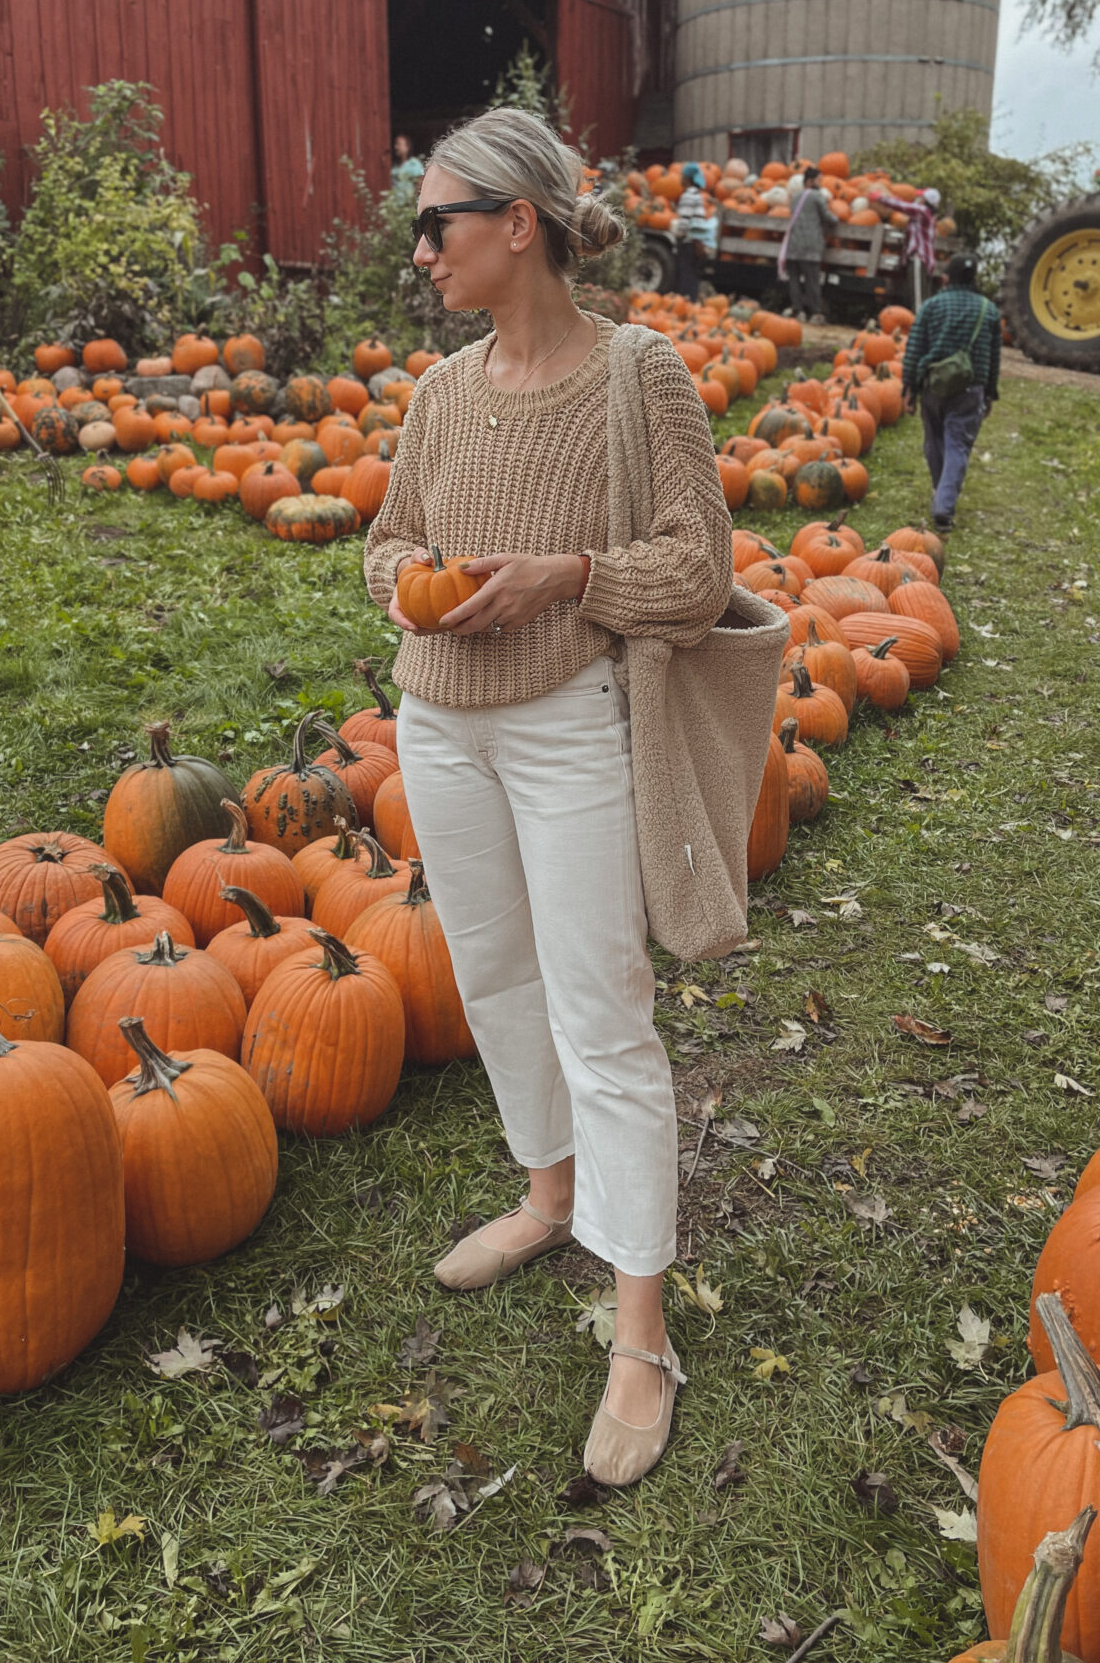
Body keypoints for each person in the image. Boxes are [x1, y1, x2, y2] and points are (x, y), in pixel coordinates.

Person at [362, 106, 731, 1487]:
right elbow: (388, 539)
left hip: (574, 725)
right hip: (439, 728)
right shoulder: (445, 392)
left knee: (602, 1008)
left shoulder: (641, 378)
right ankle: (547, 1193)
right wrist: (409, 587)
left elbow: (694, 571)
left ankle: (640, 1329)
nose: (421, 250)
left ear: (519, 223)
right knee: (498, 979)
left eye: (437, 221)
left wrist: (567, 575)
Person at [902, 251, 1001, 533]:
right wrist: (991, 392)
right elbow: (993, 357)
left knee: (934, 441)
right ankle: (944, 506)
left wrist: (908, 385)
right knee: (958, 443)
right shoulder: (988, 309)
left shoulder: (932, 306)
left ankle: (941, 492)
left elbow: (914, 348)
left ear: (946, 277)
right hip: (970, 388)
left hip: (933, 384)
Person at [776, 165, 834, 324]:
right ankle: (816, 313)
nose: (821, 183)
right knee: (812, 279)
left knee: (794, 278)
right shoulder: (817, 196)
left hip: (793, 244)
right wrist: (836, 220)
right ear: (809, 181)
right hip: (810, 244)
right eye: (819, 180)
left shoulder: (795, 197)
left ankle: (798, 310)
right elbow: (827, 216)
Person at [671, 161, 718, 298]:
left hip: (688, 241)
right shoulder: (697, 194)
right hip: (696, 240)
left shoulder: (687, 196)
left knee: (686, 274)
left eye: (682, 176)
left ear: (687, 178)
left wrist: (677, 234)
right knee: (692, 274)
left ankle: (687, 302)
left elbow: (685, 221)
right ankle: (690, 303)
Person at [899, 186, 941, 308]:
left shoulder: (923, 212)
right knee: (922, 297)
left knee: (918, 298)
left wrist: (880, 198)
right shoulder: (925, 215)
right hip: (925, 260)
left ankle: (919, 323)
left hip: (919, 259)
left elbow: (901, 206)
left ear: (925, 201)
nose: (918, 199)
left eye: (921, 197)